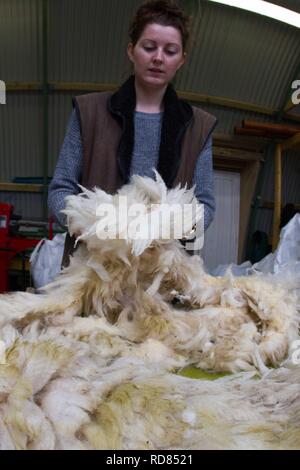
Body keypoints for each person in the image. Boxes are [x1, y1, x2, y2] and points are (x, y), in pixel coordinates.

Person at [48, 0, 218, 265]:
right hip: (94, 271)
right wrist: (95, 226)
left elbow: (205, 205)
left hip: (163, 274)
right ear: (131, 50)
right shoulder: (89, 112)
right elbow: (60, 189)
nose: (158, 58)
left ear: (181, 60)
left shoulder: (199, 126)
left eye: (170, 51)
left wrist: (167, 229)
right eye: (149, 47)